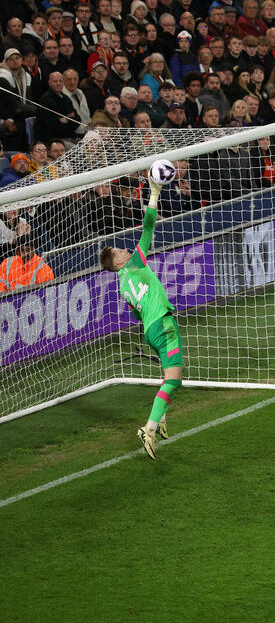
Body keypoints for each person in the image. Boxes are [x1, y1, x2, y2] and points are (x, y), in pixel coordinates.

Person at [98, 173, 182, 460]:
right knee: (174, 379)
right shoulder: (133, 264)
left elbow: (136, 313)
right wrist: (155, 192)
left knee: (169, 376)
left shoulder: (123, 286)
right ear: (118, 262)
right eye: (119, 250)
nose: (124, 248)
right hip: (164, 324)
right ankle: (149, 427)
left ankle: (161, 421)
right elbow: (148, 229)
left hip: (149, 329)